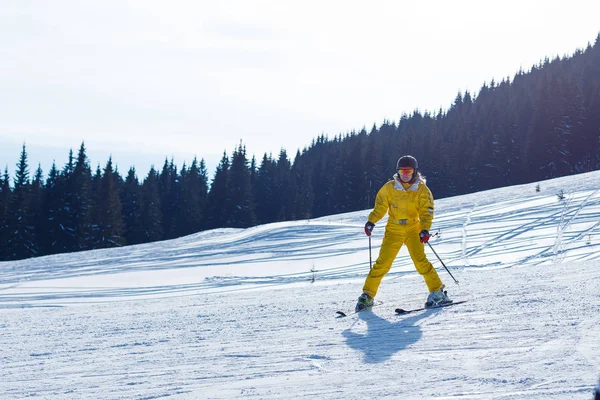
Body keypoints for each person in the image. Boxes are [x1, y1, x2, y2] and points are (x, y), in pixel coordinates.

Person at [356, 155, 450, 312]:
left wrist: (425, 229)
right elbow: (380, 207)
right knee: (382, 263)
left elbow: (426, 211)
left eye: (408, 171)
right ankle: (368, 296)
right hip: (393, 229)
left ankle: (437, 292)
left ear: (414, 172)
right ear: (397, 172)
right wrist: (371, 221)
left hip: (414, 228)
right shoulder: (389, 188)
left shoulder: (421, 189)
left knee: (420, 261)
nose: (405, 174)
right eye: (401, 171)